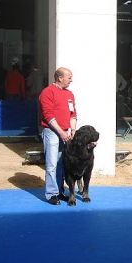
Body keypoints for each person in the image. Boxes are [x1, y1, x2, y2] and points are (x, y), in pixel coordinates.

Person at [39, 67, 77, 205]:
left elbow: (73, 113)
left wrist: (72, 129)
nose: (71, 80)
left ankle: (60, 191)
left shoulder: (69, 94)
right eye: (69, 77)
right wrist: (61, 131)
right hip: (52, 132)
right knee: (51, 164)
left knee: (61, 163)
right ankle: (51, 194)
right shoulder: (47, 92)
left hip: (65, 132)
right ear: (59, 78)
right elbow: (48, 115)